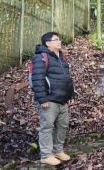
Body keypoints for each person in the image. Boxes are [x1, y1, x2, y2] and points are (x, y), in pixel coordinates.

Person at [31, 32, 74, 166]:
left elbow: (66, 79)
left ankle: (57, 150)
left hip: (62, 100)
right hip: (49, 100)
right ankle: (46, 155)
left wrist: (70, 95)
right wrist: (42, 98)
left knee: (63, 125)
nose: (59, 42)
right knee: (47, 127)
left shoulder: (60, 58)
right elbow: (37, 79)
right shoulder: (40, 58)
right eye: (56, 40)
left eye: (59, 39)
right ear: (48, 43)